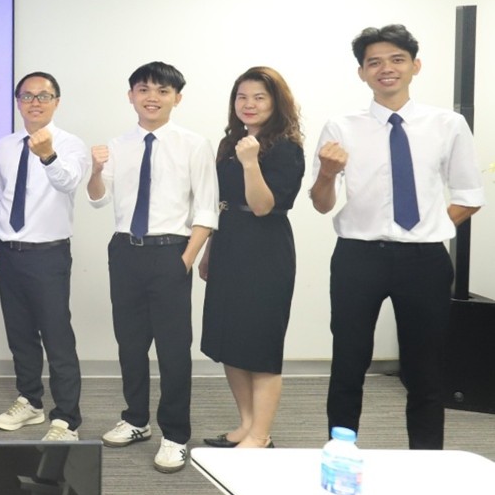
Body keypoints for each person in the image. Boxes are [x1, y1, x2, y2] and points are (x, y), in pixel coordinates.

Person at [310, 25, 483, 450]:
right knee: (348, 364)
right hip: (358, 257)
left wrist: (429, 228)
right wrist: (327, 174)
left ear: (415, 66)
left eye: (397, 59)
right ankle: (340, 455)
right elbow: (321, 203)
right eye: (374, 62)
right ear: (362, 73)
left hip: (424, 261)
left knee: (425, 370)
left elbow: (469, 196)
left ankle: (425, 460)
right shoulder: (341, 126)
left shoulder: (448, 124)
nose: (386, 68)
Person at [87, 62, 217, 473]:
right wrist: (95, 169)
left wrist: (185, 259)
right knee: (130, 343)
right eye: (143, 89)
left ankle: (175, 435)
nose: (152, 97)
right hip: (125, 250)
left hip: (170, 251)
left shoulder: (194, 144)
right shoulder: (117, 144)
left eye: (162, 90)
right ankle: (136, 419)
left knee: (173, 349)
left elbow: (207, 209)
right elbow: (97, 199)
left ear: (177, 98)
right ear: (131, 96)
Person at [199, 67, 305, 450]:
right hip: (229, 245)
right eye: (242, 97)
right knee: (230, 341)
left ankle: (261, 435)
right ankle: (246, 425)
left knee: (260, 346)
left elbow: (262, 207)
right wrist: (209, 250)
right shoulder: (231, 143)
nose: (249, 104)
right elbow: (224, 204)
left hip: (266, 253)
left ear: (276, 102)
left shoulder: (287, 148)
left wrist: (250, 162)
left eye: (259, 97)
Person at [0, 72, 89, 441]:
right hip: (10, 253)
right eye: (27, 96)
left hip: (48, 254)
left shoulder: (71, 144)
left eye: (43, 96)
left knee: (57, 337)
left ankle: (67, 418)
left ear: (56, 102)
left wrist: (48, 155)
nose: (35, 102)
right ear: (18, 102)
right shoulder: (6, 145)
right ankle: (30, 401)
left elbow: (68, 182)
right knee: (20, 335)